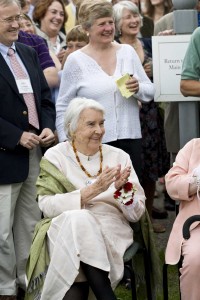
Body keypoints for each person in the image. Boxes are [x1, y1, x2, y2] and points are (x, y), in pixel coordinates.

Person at [25, 97, 146, 300]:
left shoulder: (119, 156)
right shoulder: (55, 156)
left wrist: (123, 190)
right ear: (72, 129)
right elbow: (46, 206)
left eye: (102, 123)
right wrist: (93, 190)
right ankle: (105, 294)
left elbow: (136, 215)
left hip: (109, 229)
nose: (99, 130)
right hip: (64, 227)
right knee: (78, 219)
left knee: (74, 262)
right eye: (91, 124)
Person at [56, 0, 155, 182]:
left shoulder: (127, 52)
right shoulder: (76, 60)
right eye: (102, 24)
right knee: (100, 199)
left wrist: (138, 87)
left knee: (129, 197)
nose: (108, 28)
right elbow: (63, 104)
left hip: (130, 139)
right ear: (87, 28)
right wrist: (65, 141)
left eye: (110, 22)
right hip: (93, 143)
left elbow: (150, 91)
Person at [0, 0, 56, 298]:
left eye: (17, 18)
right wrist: (15, 136)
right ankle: (5, 288)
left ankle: (29, 282)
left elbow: (44, 99)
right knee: (1, 232)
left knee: (31, 224)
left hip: (34, 152)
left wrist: (47, 125)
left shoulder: (28, 53)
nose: (15, 25)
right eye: (7, 20)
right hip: (4, 155)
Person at [113, 0, 169, 232]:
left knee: (150, 167)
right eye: (128, 17)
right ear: (117, 24)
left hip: (151, 114)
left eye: (136, 16)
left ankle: (147, 218)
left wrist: (166, 46)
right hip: (127, 114)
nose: (135, 20)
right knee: (130, 168)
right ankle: (128, 218)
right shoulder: (114, 48)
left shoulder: (148, 44)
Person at [165, 138, 200, 299]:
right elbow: (171, 183)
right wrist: (196, 181)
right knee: (195, 258)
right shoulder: (194, 146)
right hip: (196, 223)